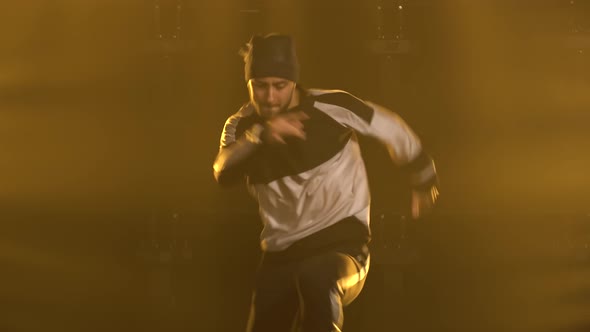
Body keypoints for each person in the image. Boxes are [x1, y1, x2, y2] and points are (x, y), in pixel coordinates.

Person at [212, 33, 439, 332]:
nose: (269, 97)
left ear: (293, 81)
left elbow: (391, 127)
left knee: (316, 277)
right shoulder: (241, 126)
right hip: (280, 257)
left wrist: (423, 177)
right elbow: (222, 171)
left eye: (279, 86)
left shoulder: (330, 107)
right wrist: (260, 136)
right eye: (260, 86)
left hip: (342, 247)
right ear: (249, 84)